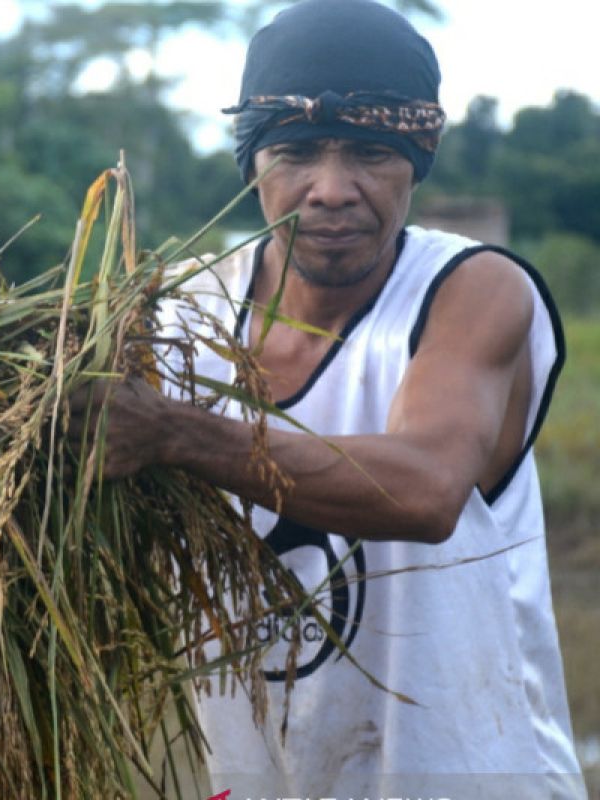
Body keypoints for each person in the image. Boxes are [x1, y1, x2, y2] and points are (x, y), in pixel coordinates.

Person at [70, 1, 587, 796]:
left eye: (373, 154)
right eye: (298, 153)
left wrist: (176, 435)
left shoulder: (471, 291)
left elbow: (426, 487)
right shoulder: (181, 314)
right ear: (251, 163)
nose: (332, 190)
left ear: (418, 160)